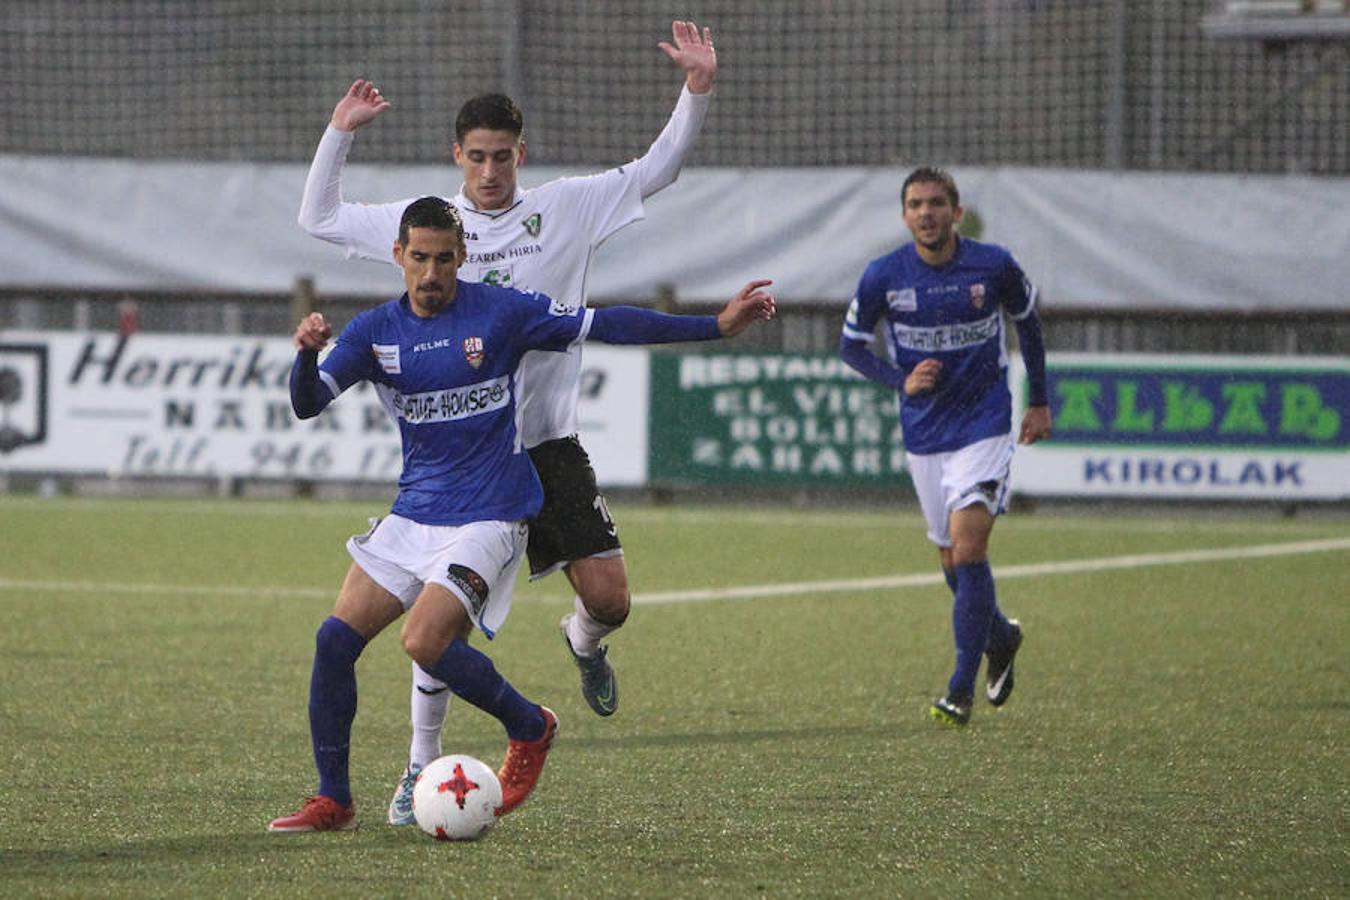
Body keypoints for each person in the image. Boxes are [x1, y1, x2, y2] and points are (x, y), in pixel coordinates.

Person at [297, 20, 717, 825]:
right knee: (430, 623)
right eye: (476, 156)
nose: (489, 170)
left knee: (610, 599)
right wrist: (337, 133)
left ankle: (585, 643)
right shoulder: (427, 230)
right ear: (458, 157)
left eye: (503, 156)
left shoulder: (567, 208)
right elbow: (319, 218)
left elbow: (656, 169)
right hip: (456, 466)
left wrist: (694, 91)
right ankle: (417, 773)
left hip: (543, 447)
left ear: (520, 154)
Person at [269, 197, 774, 832]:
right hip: (414, 514)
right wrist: (305, 354)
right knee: (333, 641)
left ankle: (530, 727)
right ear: (398, 256)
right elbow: (309, 403)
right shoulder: (375, 331)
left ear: (463, 257)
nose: (431, 274)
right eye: (419, 258)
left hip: (492, 513)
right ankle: (334, 800)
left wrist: (714, 327)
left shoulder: (503, 313)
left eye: (445, 259)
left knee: (424, 640)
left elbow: (605, 323)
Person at [838, 167, 1052, 728]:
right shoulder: (884, 275)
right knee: (951, 562)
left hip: (984, 424)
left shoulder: (992, 265)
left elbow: (1029, 324)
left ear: (956, 213)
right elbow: (852, 347)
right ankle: (1000, 636)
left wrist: (1039, 400)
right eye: (915, 204)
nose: (926, 213)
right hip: (925, 432)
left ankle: (959, 689)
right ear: (904, 215)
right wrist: (899, 381)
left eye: (936, 203)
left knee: (969, 547)